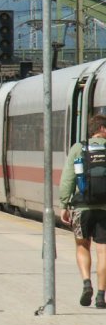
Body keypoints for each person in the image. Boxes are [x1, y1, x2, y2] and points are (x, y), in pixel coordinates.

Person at [59, 113, 106, 308]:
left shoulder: (79, 148)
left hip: (81, 206)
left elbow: (68, 179)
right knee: (103, 251)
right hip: (105, 208)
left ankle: (87, 283)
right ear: (102, 129)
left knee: (82, 245)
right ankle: (102, 295)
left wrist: (64, 204)